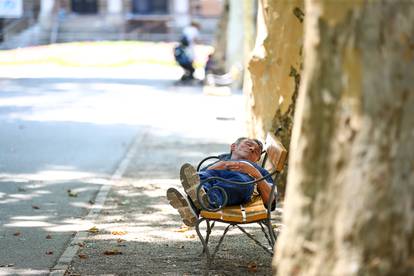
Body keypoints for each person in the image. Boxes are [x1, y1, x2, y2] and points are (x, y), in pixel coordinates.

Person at [166, 137, 275, 226]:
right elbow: (196, 180)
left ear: (256, 160)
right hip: (212, 180)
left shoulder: (257, 170)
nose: (252, 149)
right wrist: (217, 166)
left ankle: (205, 201)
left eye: (256, 152)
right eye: (248, 144)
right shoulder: (220, 162)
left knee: (241, 184)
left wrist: (255, 173)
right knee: (202, 177)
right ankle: (193, 208)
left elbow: (271, 202)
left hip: (241, 184)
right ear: (233, 147)